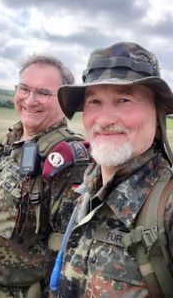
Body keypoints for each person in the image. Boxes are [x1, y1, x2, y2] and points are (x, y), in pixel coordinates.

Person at [54, 42, 173, 297]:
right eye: (94, 101)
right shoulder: (88, 189)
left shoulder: (167, 208)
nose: (104, 119)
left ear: (158, 112)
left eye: (124, 99)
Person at [0, 55, 89, 298]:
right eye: (24, 88)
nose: (30, 99)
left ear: (64, 100)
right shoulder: (15, 137)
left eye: (44, 93)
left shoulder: (68, 159)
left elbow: (72, 252)